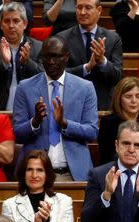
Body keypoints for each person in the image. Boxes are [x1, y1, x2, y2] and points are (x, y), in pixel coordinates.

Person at [12, 36, 98, 182]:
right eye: (46, 57)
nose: (51, 62)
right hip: (35, 175)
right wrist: (35, 121)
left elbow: (92, 132)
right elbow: (18, 134)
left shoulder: (85, 88)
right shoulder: (25, 88)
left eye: (56, 56)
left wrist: (65, 123)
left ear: (66, 57)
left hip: (72, 174)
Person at [1, 150, 75, 222]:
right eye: (29, 170)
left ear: (47, 174)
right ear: (23, 173)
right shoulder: (9, 205)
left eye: (40, 170)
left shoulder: (64, 201)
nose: (34, 175)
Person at [56, 0, 123, 111]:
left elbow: (117, 76)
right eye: (79, 7)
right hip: (71, 104)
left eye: (88, 7)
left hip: (103, 105)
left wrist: (102, 61)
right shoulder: (62, 38)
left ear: (99, 10)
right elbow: (57, 73)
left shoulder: (113, 38)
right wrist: (86, 68)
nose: (82, 12)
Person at [0, 1, 44, 111]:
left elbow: (45, 79)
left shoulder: (38, 47)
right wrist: (3, 64)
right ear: (1, 25)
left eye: (16, 21)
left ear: (25, 24)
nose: (11, 25)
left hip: (30, 112)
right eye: (6, 21)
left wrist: (27, 63)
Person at [98, 77, 139, 168]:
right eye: (128, 96)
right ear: (119, 98)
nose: (134, 101)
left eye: (138, 96)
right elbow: (105, 158)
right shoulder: (108, 122)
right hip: (117, 172)